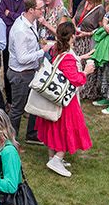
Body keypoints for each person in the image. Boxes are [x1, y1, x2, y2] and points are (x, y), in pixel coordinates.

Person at [38, 21, 95, 179]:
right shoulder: (68, 57)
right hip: (66, 101)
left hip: (53, 98)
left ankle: (51, 157)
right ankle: (57, 159)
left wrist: (81, 57)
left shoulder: (57, 49)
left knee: (53, 127)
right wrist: (86, 71)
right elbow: (76, 79)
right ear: (71, 37)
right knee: (68, 128)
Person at [5, 0, 46, 143]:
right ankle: (10, 140)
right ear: (30, 10)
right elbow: (22, 59)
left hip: (30, 72)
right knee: (17, 109)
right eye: (40, 8)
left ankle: (32, 134)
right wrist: (43, 51)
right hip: (21, 74)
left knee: (35, 103)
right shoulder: (21, 30)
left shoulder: (31, 22)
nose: (43, 10)